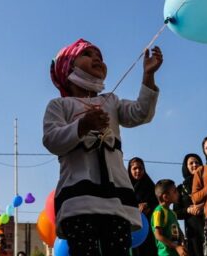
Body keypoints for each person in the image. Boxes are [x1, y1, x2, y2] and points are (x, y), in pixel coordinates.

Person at [42, 39, 163, 256]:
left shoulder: (111, 101)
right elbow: (52, 140)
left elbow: (140, 113)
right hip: (78, 201)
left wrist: (148, 76)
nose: (97, 58)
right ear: (68, 67)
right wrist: (82, 126)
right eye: (87, 54)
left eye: (99, 56)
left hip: (116, 201)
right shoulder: (59, 105)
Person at [173, 154, 204, 256]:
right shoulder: (181, 189)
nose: (194, 165)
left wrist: (203, 206)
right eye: (191, 163)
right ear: (186, 167)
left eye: (197, 162)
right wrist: (188, 210)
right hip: (193, 233)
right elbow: (176, 213)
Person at [129, 157, 159, 256]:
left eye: (140, 168)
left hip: (149, 230)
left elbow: (158, 204)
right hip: (132, 230)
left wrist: (148, 205)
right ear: (129, 170)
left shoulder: (150, 187)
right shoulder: (125, 188)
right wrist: (135, 207)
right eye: (134, 168)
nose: (138, 171)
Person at [152, 179, 188, 256]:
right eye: (175, 191)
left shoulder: (172, 213)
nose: (178, 193)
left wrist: (182, 243)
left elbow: (179, 231)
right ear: (165, 197)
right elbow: (158, 235)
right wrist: (176, 247)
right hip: (166, 254)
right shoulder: (159, 212)